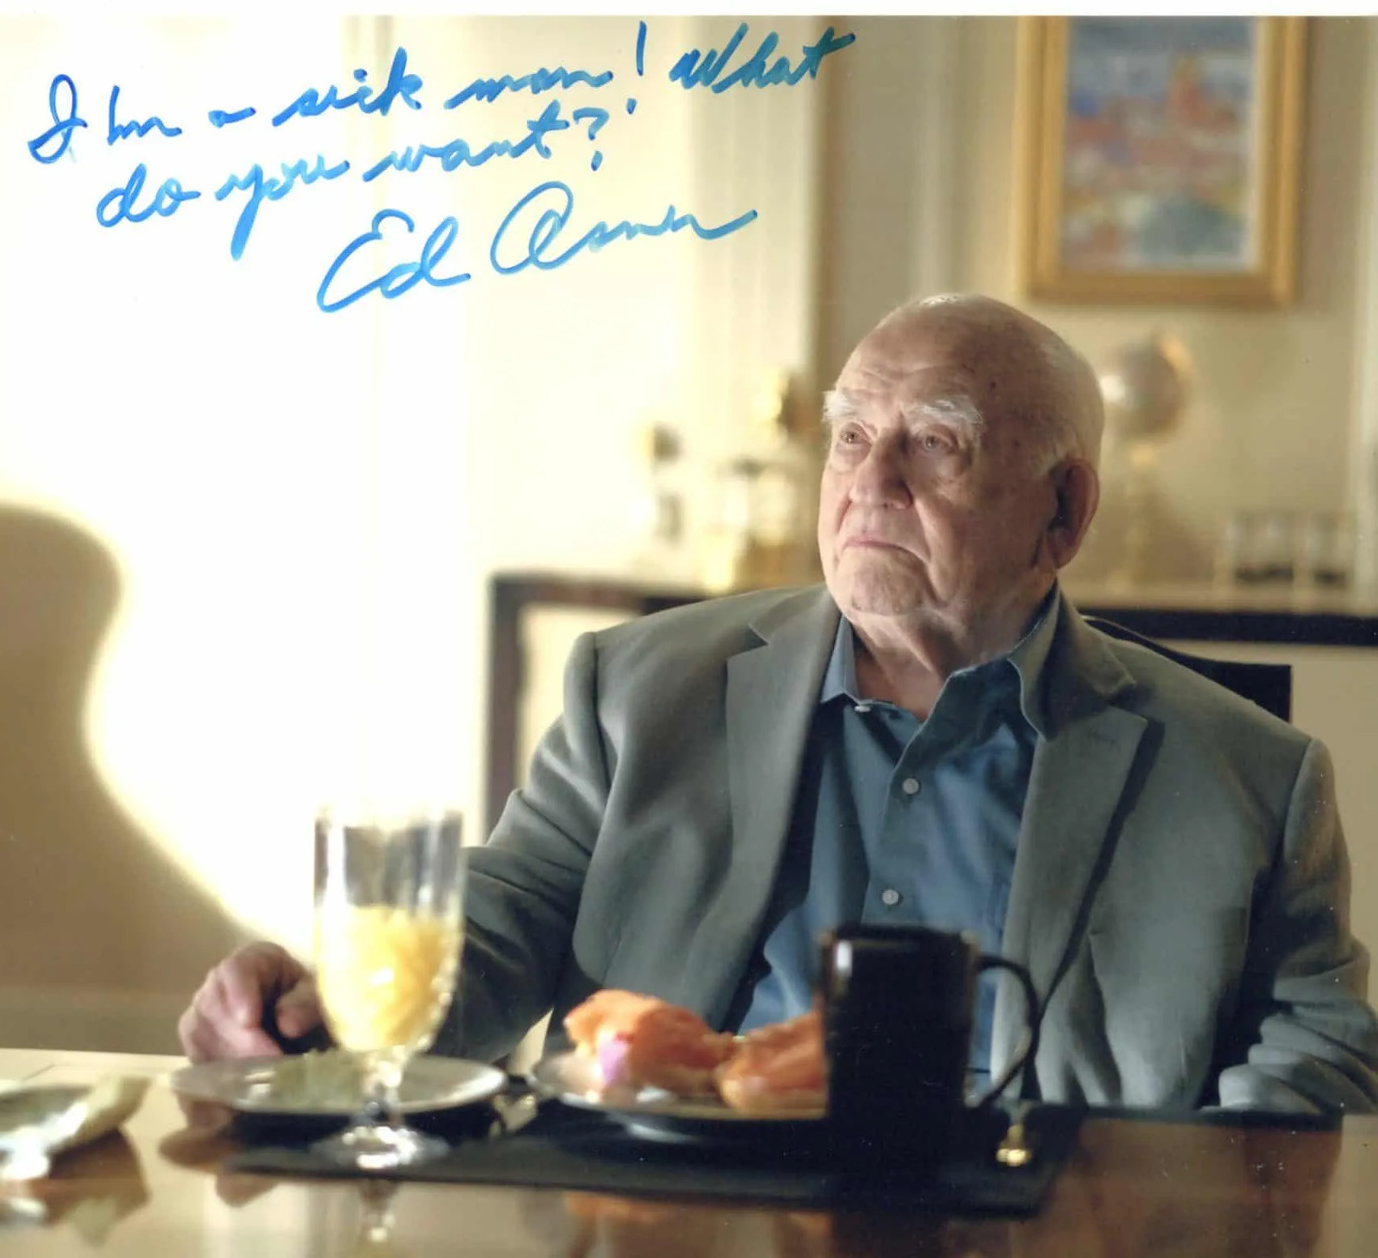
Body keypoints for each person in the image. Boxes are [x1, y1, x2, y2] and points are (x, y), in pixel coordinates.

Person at [180, 294, 1378, 1114]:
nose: (869, 480)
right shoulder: (637, 688)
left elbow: (1316, 1048)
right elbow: (514, 910)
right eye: (851, 435)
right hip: (674, 1208)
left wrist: (1195, 1210)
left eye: (935, 443)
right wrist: (327, 1014)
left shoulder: (1248, 774)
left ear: (1061, 512)